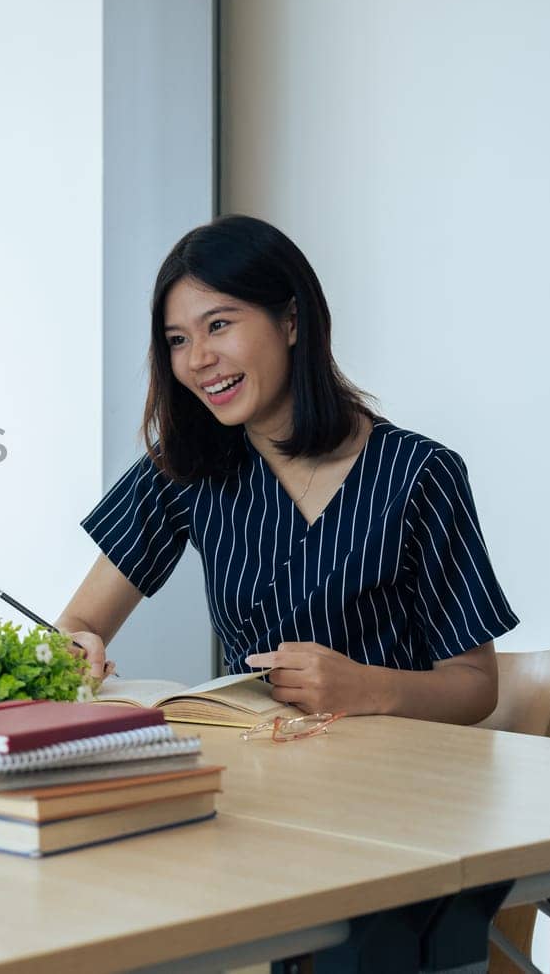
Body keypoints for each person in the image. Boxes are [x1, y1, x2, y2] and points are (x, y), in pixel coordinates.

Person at [57, 215, 517, 724]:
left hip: (395, 778)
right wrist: (75, 649)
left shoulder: (419, 472)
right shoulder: (186, 465)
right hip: (255, 763)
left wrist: (368, 687)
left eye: (218, 325)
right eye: (177, 340)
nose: (198, 360)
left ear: (291, 320)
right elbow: (77, 622)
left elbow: (476, 686)